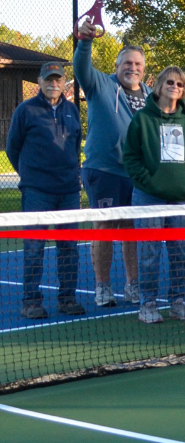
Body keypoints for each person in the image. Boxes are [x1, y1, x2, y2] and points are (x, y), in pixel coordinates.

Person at [123, 66, 185, 324]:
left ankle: (177, 302)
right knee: (149, 254)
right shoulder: (142, 119)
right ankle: (147, 304)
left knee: (180, 254)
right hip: (148, 199)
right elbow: (131, 157)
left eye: (180, 84)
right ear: (159, 86)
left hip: (182, 199)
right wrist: (148, 182)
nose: (175, 87)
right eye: (170, 82)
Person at [73, 18, 144, 307]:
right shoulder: (100, 84)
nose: (132, 68)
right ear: (116, 67)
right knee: (105, 227)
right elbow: (81, 67)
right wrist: (85, 41)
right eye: (127, 63)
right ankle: (103, 287)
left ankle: (133, 286)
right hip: (103, 171)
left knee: (131, 229)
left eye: (138, 64)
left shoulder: (151, 96)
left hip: (136, 175)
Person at [8, 63, 85, 319]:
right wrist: (30, 176)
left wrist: (71, 173)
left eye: (58, 79)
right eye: (49, 79)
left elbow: (75, 147)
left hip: (69, 192)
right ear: (40, 82)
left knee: (69, 248)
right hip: (37, 192)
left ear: (64, 82)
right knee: (33, 248)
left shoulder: (73, 110)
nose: (54, 84)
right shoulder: (25, 110)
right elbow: (13, 148)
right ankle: (31, 301)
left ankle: (67, 299)